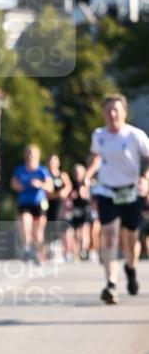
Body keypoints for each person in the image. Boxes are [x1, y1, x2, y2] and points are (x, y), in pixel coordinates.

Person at [83, 93, 149, 304]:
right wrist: (87, 174)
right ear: (104, 113)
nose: (112, 114)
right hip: (107, 191)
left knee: (130, 240)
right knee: (109, 236)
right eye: (108, 110)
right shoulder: (99, 135)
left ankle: (130, 268)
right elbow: (96, 157)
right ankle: (111, 284)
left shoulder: (135, 135)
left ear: (124, 113)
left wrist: (146, 178)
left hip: (131, 191)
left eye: (116, 110)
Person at [10, 144, 53, 263]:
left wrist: (40, 184)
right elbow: (13, 184)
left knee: (37, 232)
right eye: (28, 154)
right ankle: (27, 249)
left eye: (33, 154)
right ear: (25, 156)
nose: (30, 157)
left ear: (37, 156)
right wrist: (20, 186)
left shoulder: (42, 170)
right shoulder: (20, 170)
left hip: (39, 203)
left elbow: (50, 187)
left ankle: (39, 253)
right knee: (24, 225)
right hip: (24, 203)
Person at [63, 164, 92, 262]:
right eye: (75, 173)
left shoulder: (87, 182)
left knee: (84, 230)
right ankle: (72, 252)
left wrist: (83, 190)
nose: (77, 175)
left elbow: (87, 195)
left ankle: (84, 250)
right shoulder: (71, 183)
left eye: (79, 173)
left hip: (85, 208)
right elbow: (67, 196)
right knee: (72, 232)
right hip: (74, 209)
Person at [45, 153, 72, 260]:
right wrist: (56, 195)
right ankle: (50, 249)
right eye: (50, 161)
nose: (52, 163)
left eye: (54, 161)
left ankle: (63, 250)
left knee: (62, 225)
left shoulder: (62, 175)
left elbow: (68, 186)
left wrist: (63, 193)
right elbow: (46, 192)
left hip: (60, 205)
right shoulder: (46, 175)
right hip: (48, 204)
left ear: (58, 163)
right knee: (49, 225)